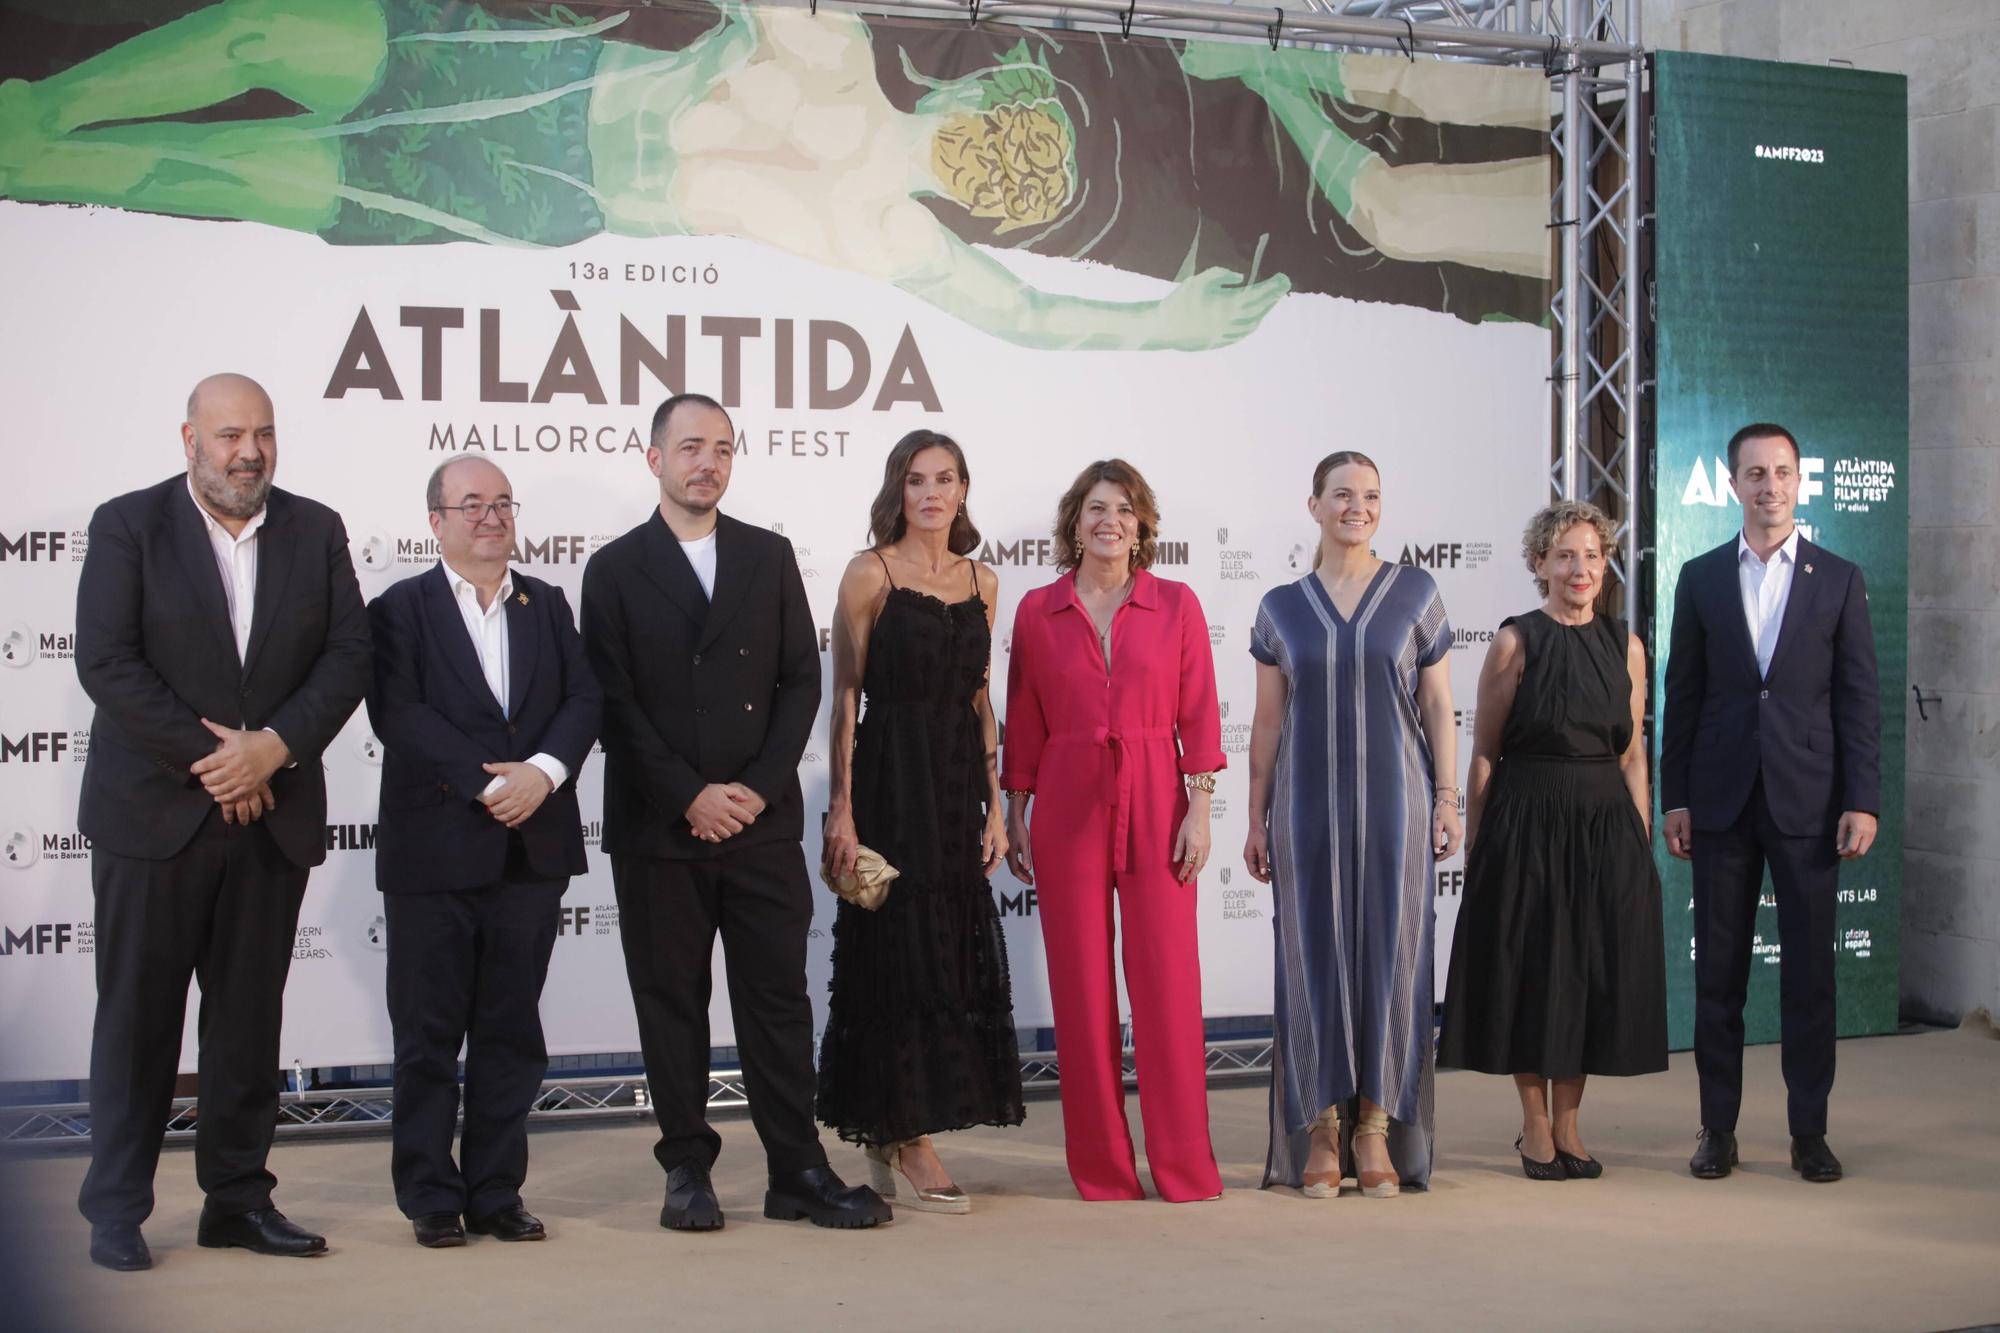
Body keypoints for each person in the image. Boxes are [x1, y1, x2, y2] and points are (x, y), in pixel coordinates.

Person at [0, 0, 1554, 340]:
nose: (997, 155)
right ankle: (48, 120)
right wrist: (1159, 326)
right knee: (272, 33)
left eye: (1009, 172)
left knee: (269, 178)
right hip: (526, 73)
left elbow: (1028, 321)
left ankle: (44, 161)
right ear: (1009, 86)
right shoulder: (821, 43)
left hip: (540, 187)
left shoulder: (880, 224)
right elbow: (1035, 316)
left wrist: (1161, 328)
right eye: (1015, 128)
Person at [72, 373, 372, 1270]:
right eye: (231, 435)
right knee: (138, 1023)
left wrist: (271, 748)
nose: (251, 452)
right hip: (155, 816)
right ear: (190, 440)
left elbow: (350, 654)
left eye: (264, 434)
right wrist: (219, 762)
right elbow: (107, 661)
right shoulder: (128, 524)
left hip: (272, 812)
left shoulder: (315, 528)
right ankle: (117, 1208)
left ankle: (237, 1200)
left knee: (247, 1024)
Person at [581, 392, 889, 1230]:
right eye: (689, 447)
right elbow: (613, 701)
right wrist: (688, 794)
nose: (706, 462)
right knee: (671, 1001)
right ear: (654, 459)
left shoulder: (768, 553)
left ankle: (797, 1169)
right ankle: (687, 1168)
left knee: (777, 1004)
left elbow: (801, 678)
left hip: (761, 822)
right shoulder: (611, 569)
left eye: (721, 447)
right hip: (659, 828)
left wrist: (752, 786)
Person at [364, 457, 602, 1247]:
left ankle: (497, 1191)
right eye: (472, 504)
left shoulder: (547, 602)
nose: (491, 516)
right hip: (435, 854)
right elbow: (398, 711)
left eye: (502, 502)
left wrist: (544, 772)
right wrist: (483, 783)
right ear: (435, 520)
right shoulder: (399, 608)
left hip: (530, 852)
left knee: (510, 1032)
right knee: (428, 1035)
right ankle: (431, 1194)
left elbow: (584, 698)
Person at [1661, 423, 1881, 1185]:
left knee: (1810, 979)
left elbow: (1858, 700)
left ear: (1799, 481)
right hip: (1720, 803)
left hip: (1811, 804)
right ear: (1732, 484)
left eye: (1782, 472)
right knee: (1718, 976)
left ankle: (1809, 1132)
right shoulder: (1700, 576)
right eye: (1754, 473)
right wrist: (1677, 795)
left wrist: (1864, 800)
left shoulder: (1839, 577)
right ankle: (1716, 1129)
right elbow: (1680, 695)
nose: (1769, 486)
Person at [1001, 459, 1224, 1203]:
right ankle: (1102, 1168)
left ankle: (1185, 1166)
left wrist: (1200, 805)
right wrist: (1014, 811)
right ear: (1074, 523)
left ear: (1143, 526)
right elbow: (1025, 717)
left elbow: (1199, 711)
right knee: (1081, 989)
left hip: (1159, 791)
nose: (1111, 521)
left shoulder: (1178, 604)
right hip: (1067, 798)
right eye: (1097, 508)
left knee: (1167, 984)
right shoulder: (1037, 610)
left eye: (1125, 510)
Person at [817, 430, 1025, 1214]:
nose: (931, 493)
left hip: (953, 787)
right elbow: (844, 696)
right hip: (888, 779)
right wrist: (842, 805)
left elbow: (980, 698)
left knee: (945, 955)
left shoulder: (984, 581)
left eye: (944, 479)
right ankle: (908, 1137)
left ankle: (891, 1128)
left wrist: (998, 805)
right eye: (915, 480)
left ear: (964, 489)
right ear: (897, 491)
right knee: (895, 953)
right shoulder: (869, 571)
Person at [1242, 450, 1459, 1198]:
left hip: (1398, 804)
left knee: (1393, 960)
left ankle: (1375, 1126)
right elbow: (1267, 723)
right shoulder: (1279, 606)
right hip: (1304, 807)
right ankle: (1323, 1128)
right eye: (1341, 494)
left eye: (1369, 495)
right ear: (1314, 506)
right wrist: (1255, 815)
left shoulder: (1416, 593)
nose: (1356, 507)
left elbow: (1437, 708)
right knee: (1312, 959)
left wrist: (1450, 797)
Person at [1437, 501, 1667, 1180]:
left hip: (1605, 829)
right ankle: (1535, 1125)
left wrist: (1640, 844)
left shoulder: (1627, 647)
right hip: (1526, 822)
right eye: (1565, 554)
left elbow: (1631, 754)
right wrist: (1481, 844)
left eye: (1593, 555)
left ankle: (1570, 1123)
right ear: (1540, 564)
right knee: (1533, 974)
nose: (1581, 568)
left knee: (1591, 975)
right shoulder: (1516, 640)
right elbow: (1484, 754)